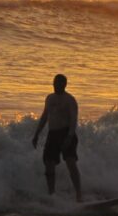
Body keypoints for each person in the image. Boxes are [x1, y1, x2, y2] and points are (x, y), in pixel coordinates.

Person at [32, 74, 82, 202]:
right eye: (54, 83)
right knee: (49, 163)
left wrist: (69, 137)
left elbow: (73, 120)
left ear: (64, 85)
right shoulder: (49, 98)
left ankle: (79, 195)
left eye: (58, 83)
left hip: (67, 133)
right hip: (53, 134)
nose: (55, 85)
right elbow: (44, 117)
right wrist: (37, 134)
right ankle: (51, 195)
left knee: (71, 163)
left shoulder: (70, 100)